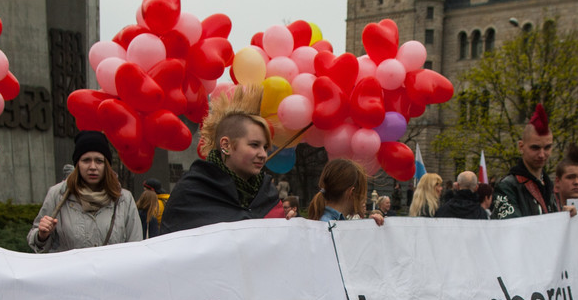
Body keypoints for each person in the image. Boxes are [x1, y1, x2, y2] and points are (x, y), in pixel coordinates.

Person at [160, 86, 281, 234]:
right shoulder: (191, 192)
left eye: (265, 147)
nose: (263, 154)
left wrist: (288, 224)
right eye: (254, 145)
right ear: (226, 145)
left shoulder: (268, 193)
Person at [28, 130, 142, 252]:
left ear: (106, 165)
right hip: (71, 271)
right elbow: (37, 242)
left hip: (114, 271)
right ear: (77, 164)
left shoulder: (124, 199)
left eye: (99, 161)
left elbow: (136, 248)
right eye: (86, 160)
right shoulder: (58, 195)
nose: (92, 167)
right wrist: (41, 236)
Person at [493, 103, 574, 218]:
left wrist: (567, 216)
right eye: (535, 148)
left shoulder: (549, 186)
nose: (542, 154)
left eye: (547, 147)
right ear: (521, 147)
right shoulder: (507, 186)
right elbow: (511, 230)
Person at [305, 158, 383, 225]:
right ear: (351, 193)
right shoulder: (329, 226)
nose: (364, 199)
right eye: (362, 192)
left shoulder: (329, 222)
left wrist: (371, 227)